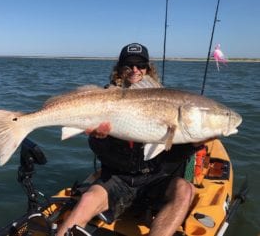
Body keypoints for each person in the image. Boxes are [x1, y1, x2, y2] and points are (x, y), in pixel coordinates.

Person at [56, 43, 195, 236]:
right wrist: (100, 139)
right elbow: (101, 153)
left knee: (185, 189)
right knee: (87, 201)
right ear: (119, 69)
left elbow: (172, 156)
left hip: (155, 178)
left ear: (148, 68)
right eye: (128, 65)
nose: (135, 70)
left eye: (141, 65)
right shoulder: (105, 97)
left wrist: (193, 145)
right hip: (118, 178)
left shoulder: (166, 100)